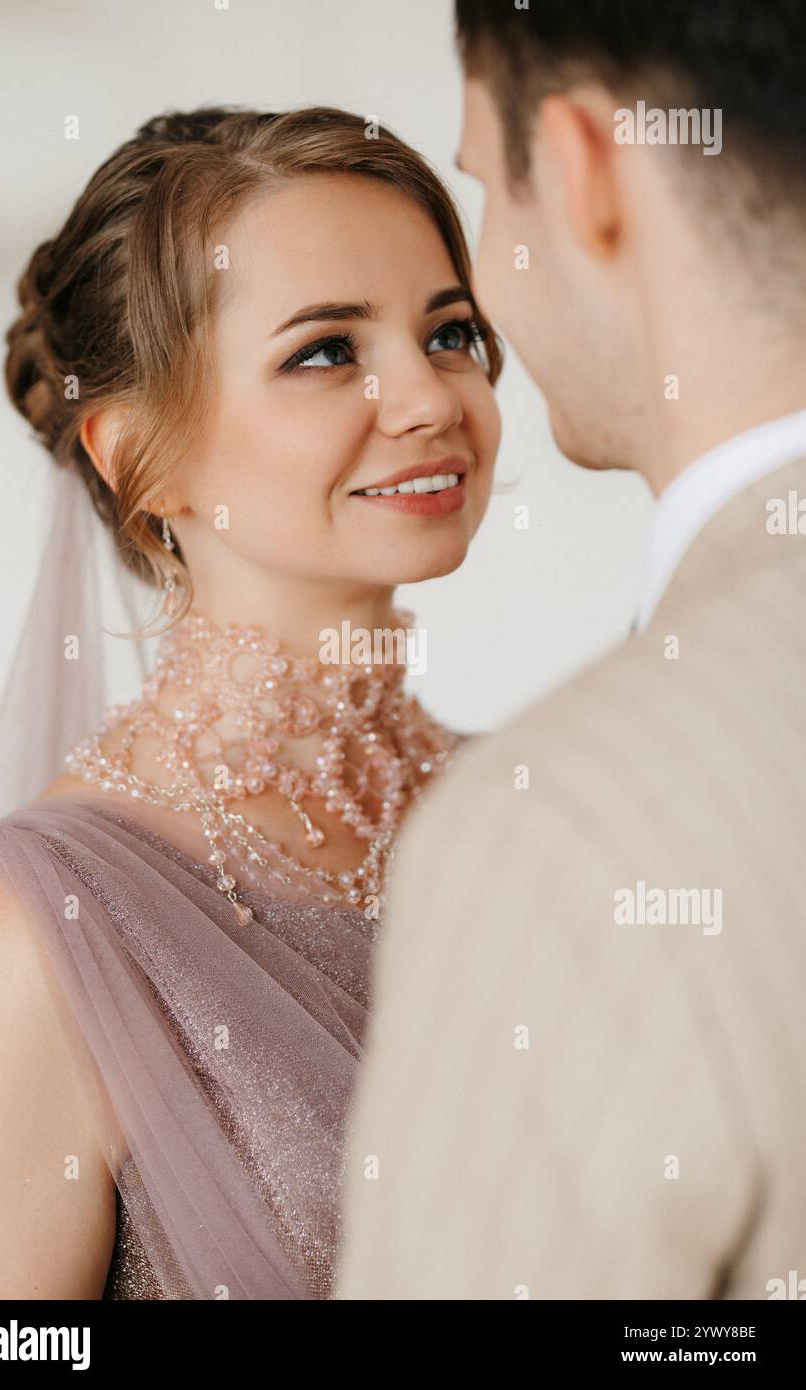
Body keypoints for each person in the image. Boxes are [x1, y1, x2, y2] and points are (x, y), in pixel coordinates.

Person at [0, 104, 503, 1299]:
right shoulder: (51, 930)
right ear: (136, 452)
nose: (429, 398)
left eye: (449, 332)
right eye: (325, 351)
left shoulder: (543, 807)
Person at [337, 0, 806, 1299]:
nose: (429, 398)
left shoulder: (566, 830)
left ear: (590, 169)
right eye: (326, 351)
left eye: (485, 185)